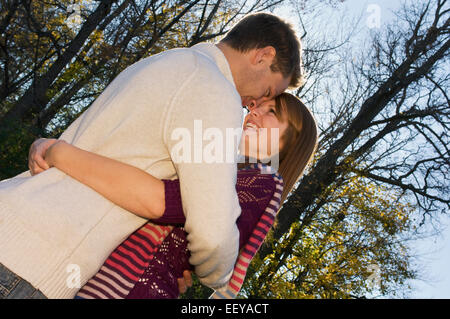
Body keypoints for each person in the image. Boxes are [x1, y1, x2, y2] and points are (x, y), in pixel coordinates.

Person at [0, 13, 304, 299]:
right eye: (266, 92)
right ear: (262, 56)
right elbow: (213, 234)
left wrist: (169, 261)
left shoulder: (167, 61)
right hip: (33, 257)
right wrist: (215, 274)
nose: (254, 104)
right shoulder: (214, 90)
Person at [29, 93, 318, 299]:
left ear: (289, 143)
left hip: (129, 290)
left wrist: (60, 152)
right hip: (100, 279)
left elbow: (175, 204)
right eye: (258, 107)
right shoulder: (218, 164)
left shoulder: (263, 180)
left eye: (272, 113)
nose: (254, 113)